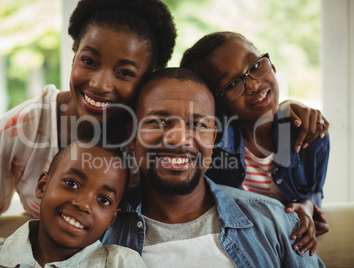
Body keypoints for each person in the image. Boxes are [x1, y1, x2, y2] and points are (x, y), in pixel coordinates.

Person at [0, 0, 176, 232]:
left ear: (148, 80)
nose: (99, 84)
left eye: (125, 73)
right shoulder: (27, 125)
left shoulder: (154, 137)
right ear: (74, 56)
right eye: (88, 61)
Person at [101, 67, 325, 267]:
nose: (179, 138)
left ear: (214, 136)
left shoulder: (275, 221)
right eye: (157, 122)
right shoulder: (98, 228)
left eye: (198, 124)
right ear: (132, 133)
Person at [180, 31, 330, 256]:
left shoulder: (309, 134)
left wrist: (306, 207)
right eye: (231, 84)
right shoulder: (212, 146)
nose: (252, 85)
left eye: (255, 66)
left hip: (288, 245)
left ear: (272, 65)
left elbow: (313, 191)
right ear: (215, 104)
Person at [0, 141, 147, 267]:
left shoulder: (121, 263)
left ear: (112, 218)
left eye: (103, 200)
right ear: (42, 185)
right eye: (72, 184)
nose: (84, 204)